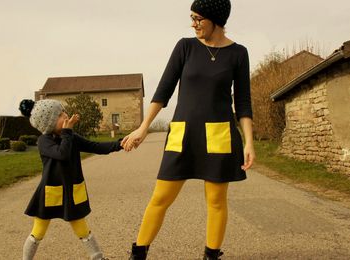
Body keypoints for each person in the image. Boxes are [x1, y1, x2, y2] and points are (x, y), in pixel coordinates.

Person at [122, 0, 255, 259]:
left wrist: (249, 142)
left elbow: (243, 102)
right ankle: (138, 253)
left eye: (198, 18)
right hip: (182, 134)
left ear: (216, 19)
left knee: (216, 202)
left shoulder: (238, 53)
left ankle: (211, 255)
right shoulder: (186, 47)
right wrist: (143, 128)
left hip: (219, 135)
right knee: (160, 197)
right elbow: (163, 91)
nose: (193, 23)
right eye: (191, 18)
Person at [19, 99, 123, 260]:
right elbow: (62, 153)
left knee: (82, 229)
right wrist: (67, 133)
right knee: (38, 232)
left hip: (70, 192)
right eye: (60, 115)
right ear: (49, 123)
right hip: (49, 194)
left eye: (64, 112)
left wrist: (121, 144)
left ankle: (98, 258)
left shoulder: (71, 137)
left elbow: (95, 147)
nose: (66, 115)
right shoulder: (44, 141)